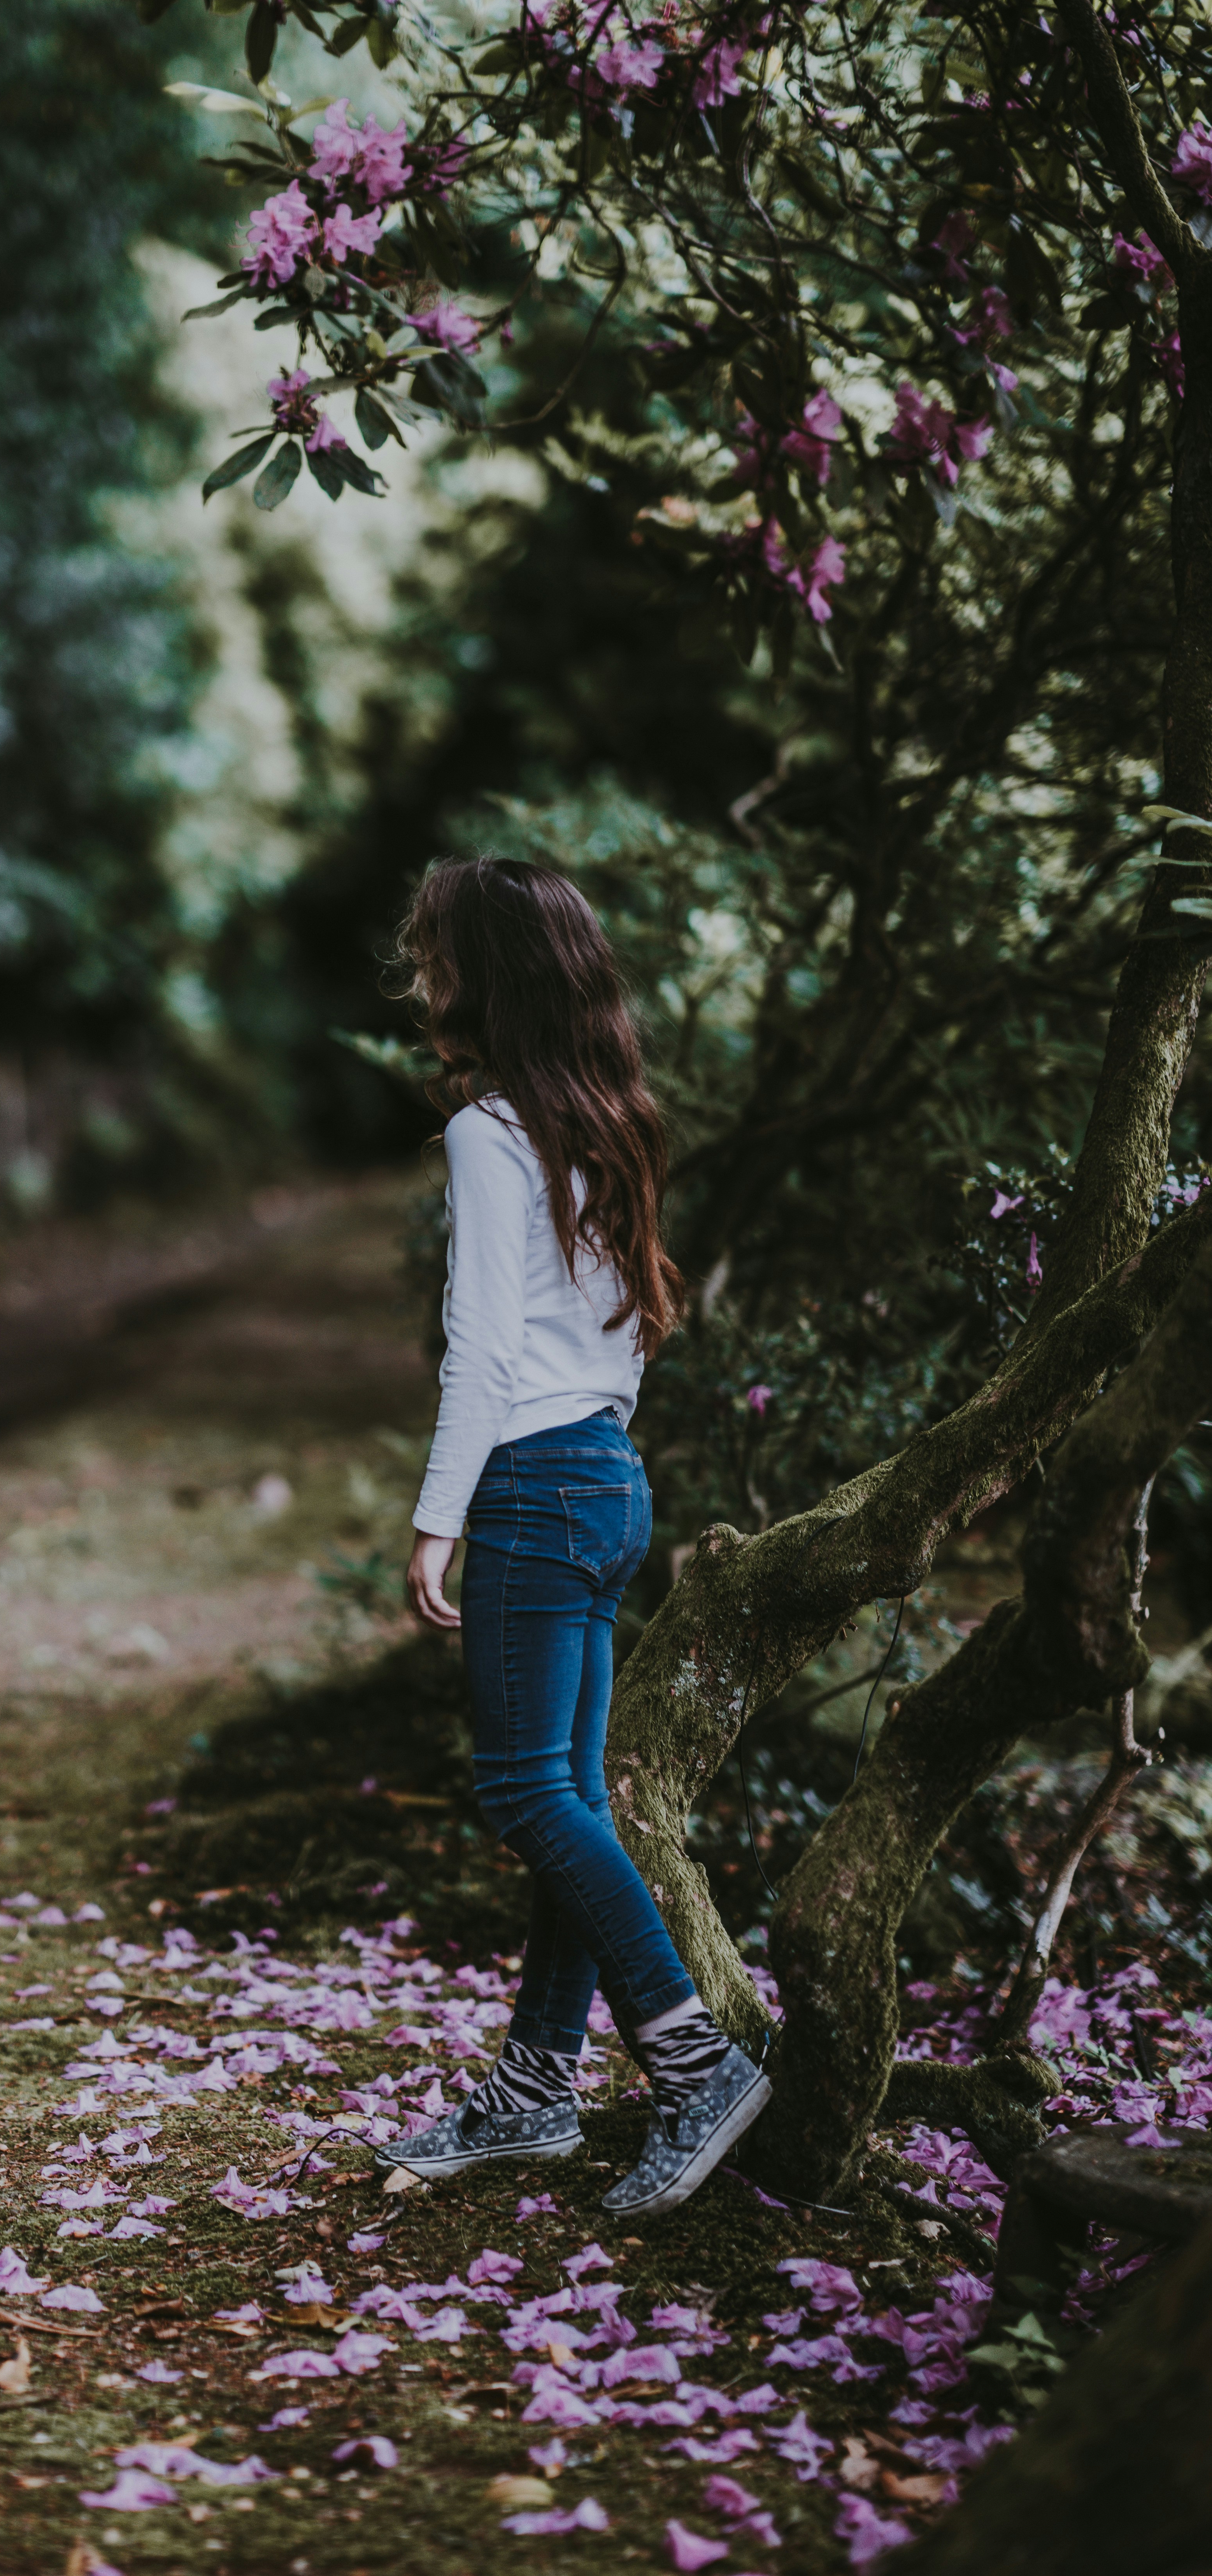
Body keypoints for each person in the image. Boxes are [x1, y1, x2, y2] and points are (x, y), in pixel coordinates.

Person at [372, 854, 770, 2219]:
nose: (424, 977)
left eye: (437, 955)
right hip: (607, 1476)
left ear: (486, 976)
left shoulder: (493, 1133)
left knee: (529, 1794)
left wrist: (438, 1518)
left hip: (538, 1488)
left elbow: (481, 1346)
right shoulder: (610, 1121)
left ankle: (693, 2064)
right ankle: (537, 2094)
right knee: (570, 1798)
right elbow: (623, 1332)